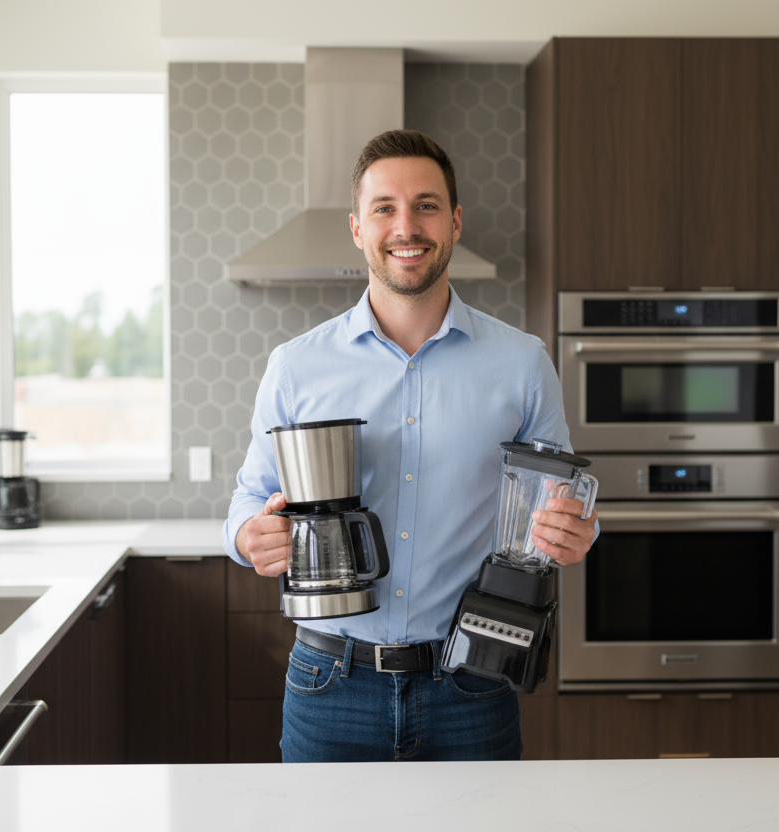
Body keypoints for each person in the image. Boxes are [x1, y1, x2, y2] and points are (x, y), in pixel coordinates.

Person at [221, 129, 598, 762]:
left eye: (426, 205)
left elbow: (556, 505)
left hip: (471, 684)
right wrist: (247, 537)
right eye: (385, 208)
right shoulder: (295, 367)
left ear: (455, 221)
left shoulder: (522, 363)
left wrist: (574, 530)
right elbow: (247, 502)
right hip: (328, 686)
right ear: (357, 227)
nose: (406, 226)